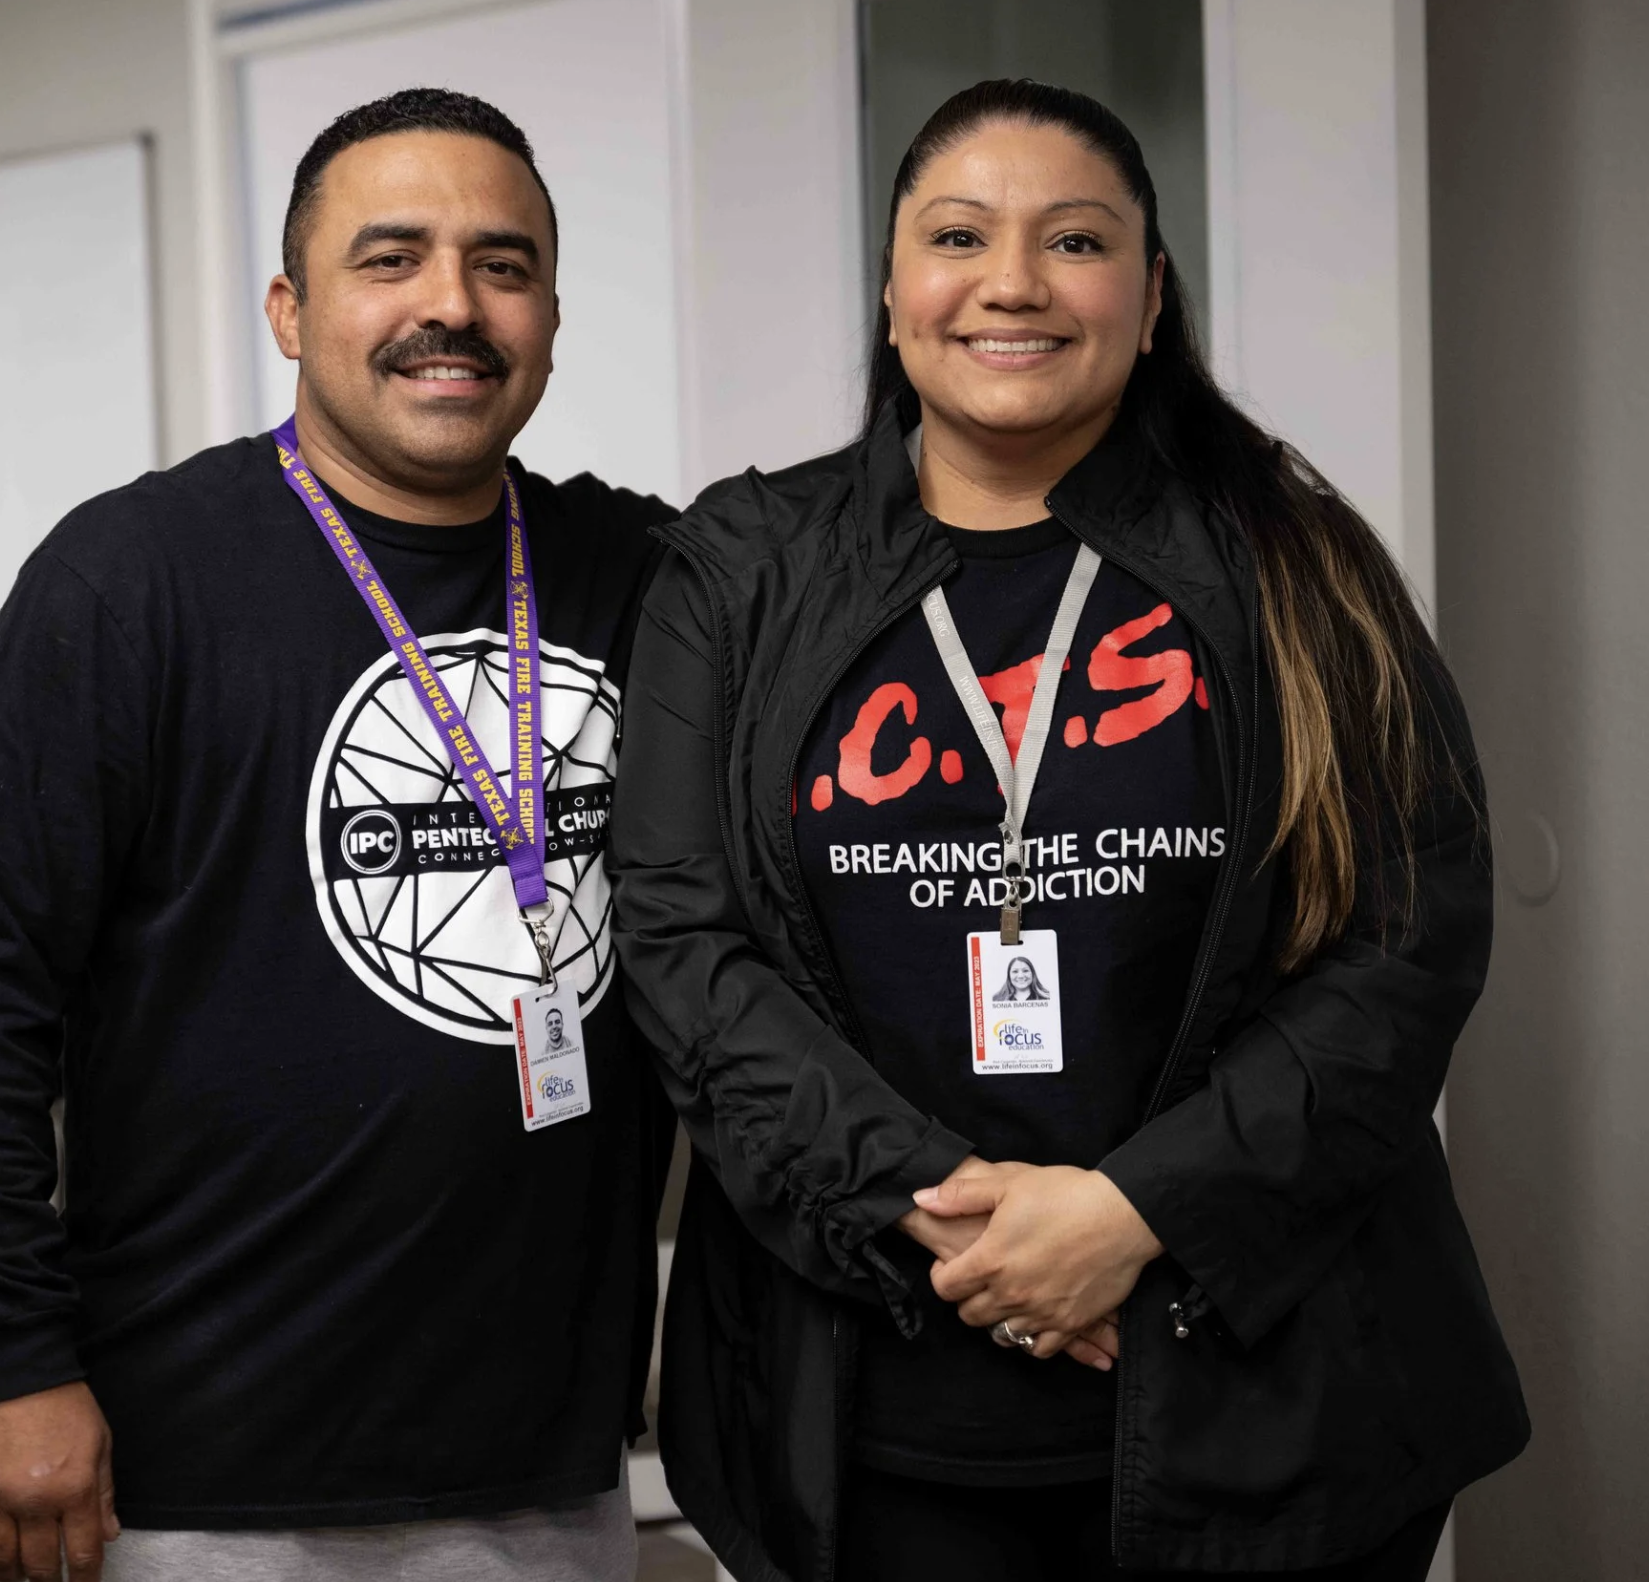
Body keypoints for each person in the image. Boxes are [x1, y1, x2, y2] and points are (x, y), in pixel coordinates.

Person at [611, 79, 1527, 1581]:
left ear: (1151, 296)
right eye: (960, 235)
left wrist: (1134, 1207)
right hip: (872, 1426)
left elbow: (1410, 930)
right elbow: (678, 933)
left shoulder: (1291, 554)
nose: (1014, 282)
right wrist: (943, 1216)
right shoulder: (741, 564)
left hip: (1271, 1403)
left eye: (1078, 241)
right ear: (895, 293)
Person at [0, 89, 673, 1582]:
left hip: (549, 1461)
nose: (452, 304)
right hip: (199, 1475)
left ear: (553, 315)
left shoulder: (640, 576)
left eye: (502, 265)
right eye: (392, 259)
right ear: (290, 308)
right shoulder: (131, 580)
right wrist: (5, 1357)